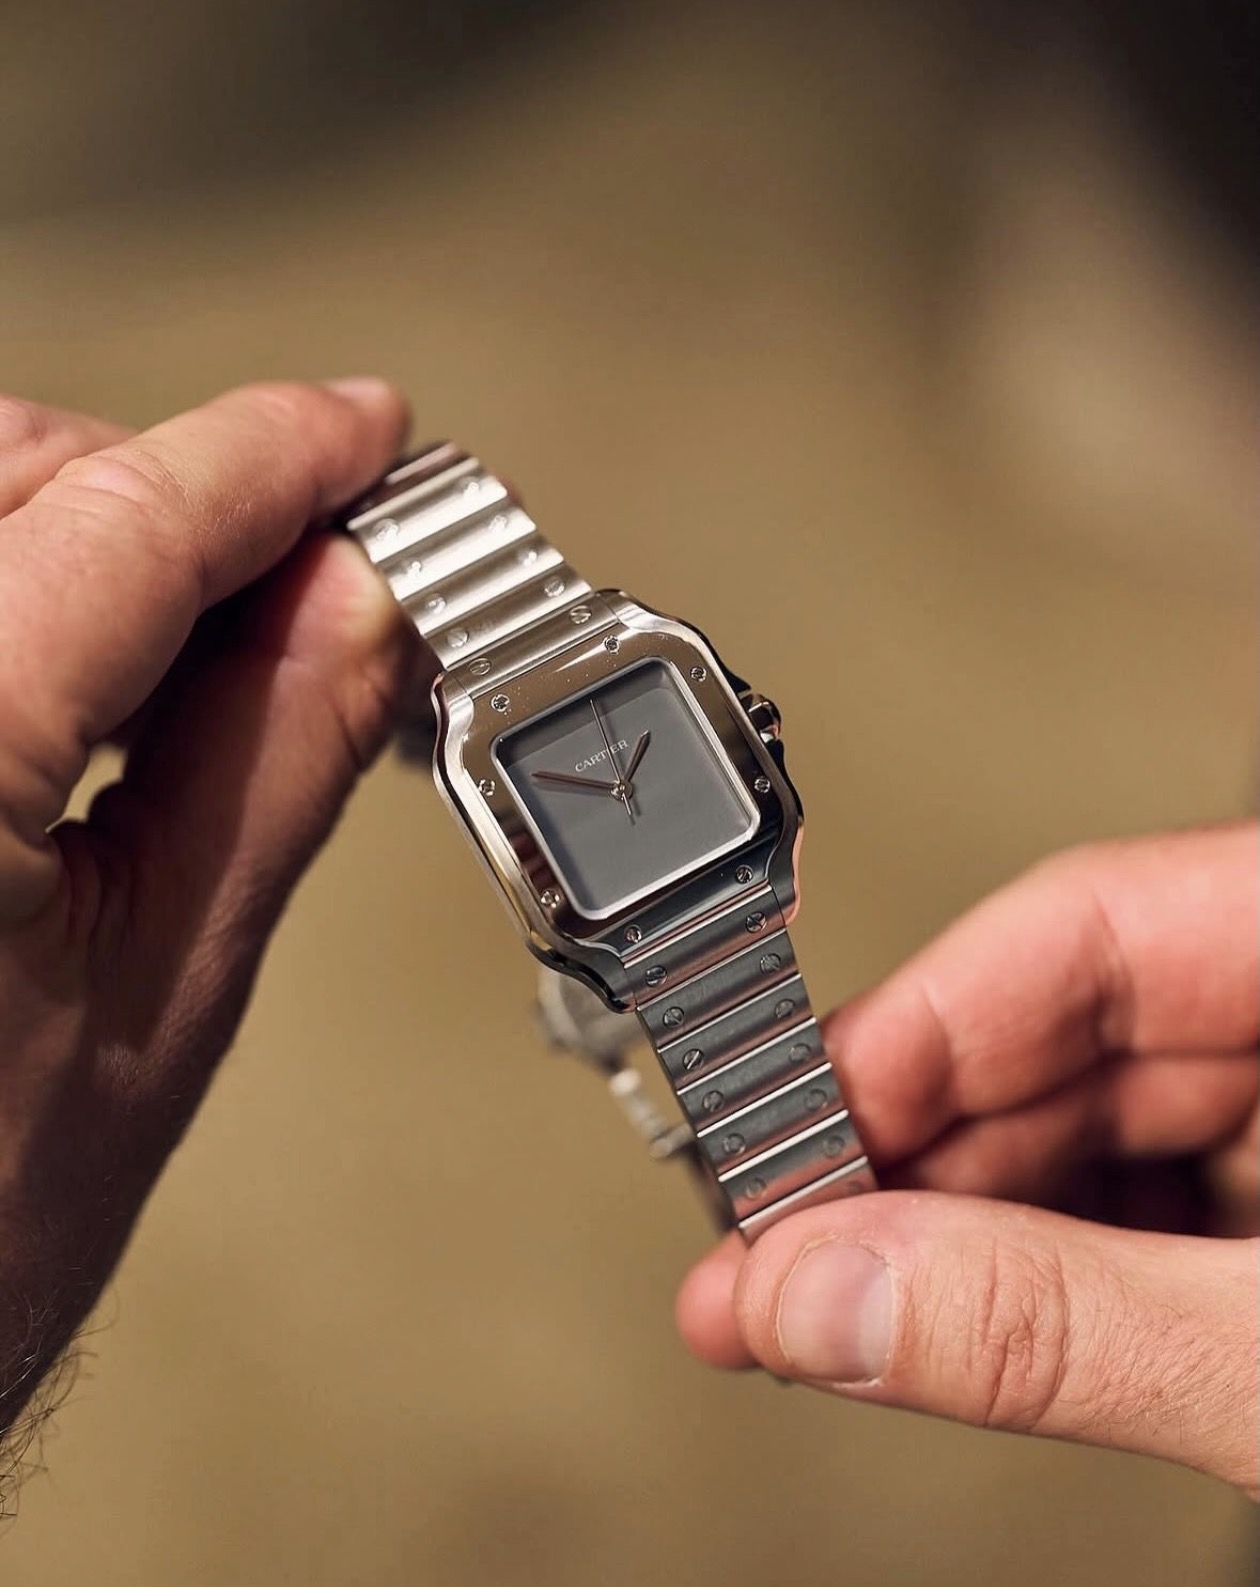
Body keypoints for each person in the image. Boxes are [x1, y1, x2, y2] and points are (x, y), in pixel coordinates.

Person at [0, 381, 1255, 1499]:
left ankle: (806, 1226)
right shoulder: (536, 734)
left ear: (739, 728)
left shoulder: (636, 682)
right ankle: (797, 1220)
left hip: (724, 898)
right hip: (655, 932)